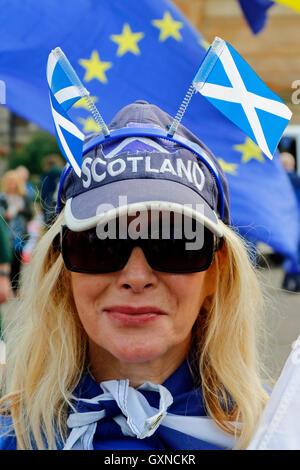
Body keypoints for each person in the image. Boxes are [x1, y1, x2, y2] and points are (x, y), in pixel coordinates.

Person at [0, 101, 269, 450]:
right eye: (100, 242)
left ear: (216, 272)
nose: (137, 276)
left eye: (175, 242)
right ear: (61, 269)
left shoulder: (273, 434)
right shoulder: (14, 437)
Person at [0, 170, 33, 292]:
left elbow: (30, 214)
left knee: (17, 261)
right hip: (6, 234)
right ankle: (6, 286)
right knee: (7, 259)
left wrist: (20, 210)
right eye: (9, 183)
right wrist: (6, 213)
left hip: (20, 233)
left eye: (14, 183)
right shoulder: (2, 198)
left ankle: (16, 287)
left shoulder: (23, 197)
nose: (11, 186)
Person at [280, 152, 300, 292]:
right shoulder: (296, 179)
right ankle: (291, 280)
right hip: (295, 221)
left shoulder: (282, 181)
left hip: (288, 222)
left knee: (290, 252)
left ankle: (289, 280)